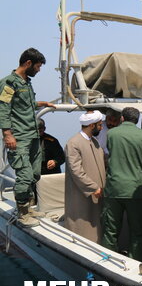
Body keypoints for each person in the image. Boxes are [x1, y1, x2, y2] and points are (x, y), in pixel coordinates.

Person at [0, 48, 55, 227]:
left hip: (32, 136)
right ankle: (23, 213)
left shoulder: (26, 83)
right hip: (19, 137)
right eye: (38, 67)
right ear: (28, 63)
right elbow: (3, 108)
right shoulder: (9, 82)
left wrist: (42, 103)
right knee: (24, 176)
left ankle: (29, 206)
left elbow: (25, 104)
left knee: (34, 173)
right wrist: (7, 134)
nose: (39, 70)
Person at [101, 107, 142, 261]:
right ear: (136, 120)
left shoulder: (112, 133)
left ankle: (108, 261)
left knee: (110, 230)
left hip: (114, 189)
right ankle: (136, 262)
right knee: (137, 230)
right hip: (136, 190)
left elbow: (110, 153)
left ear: (122, 118)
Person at [64, 111, 106, 242]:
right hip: (83, 194)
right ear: (92, 125)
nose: (102, 127)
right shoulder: (73, 143)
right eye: (100, 125)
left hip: (98, 193)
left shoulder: (95, 141)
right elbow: (76, 171)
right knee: (83, 225)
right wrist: (93, 187)